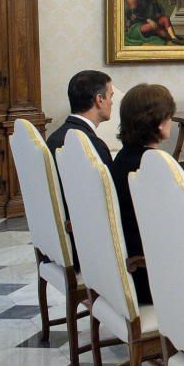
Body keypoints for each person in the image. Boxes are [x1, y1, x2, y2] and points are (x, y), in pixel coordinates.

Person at [108, 83, 175, 304]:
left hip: (122, 270)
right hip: (150, 277)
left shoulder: (122, 158)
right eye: (169, 116)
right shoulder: (154, 165)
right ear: (158, 121)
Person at [46, 70, 115, 272]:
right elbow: (110, 202)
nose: (112, 102)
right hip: (86, 249)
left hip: (60, 242)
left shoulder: (56, 137)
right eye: (110, 96)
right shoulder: (91, 146)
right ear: (99, 99)